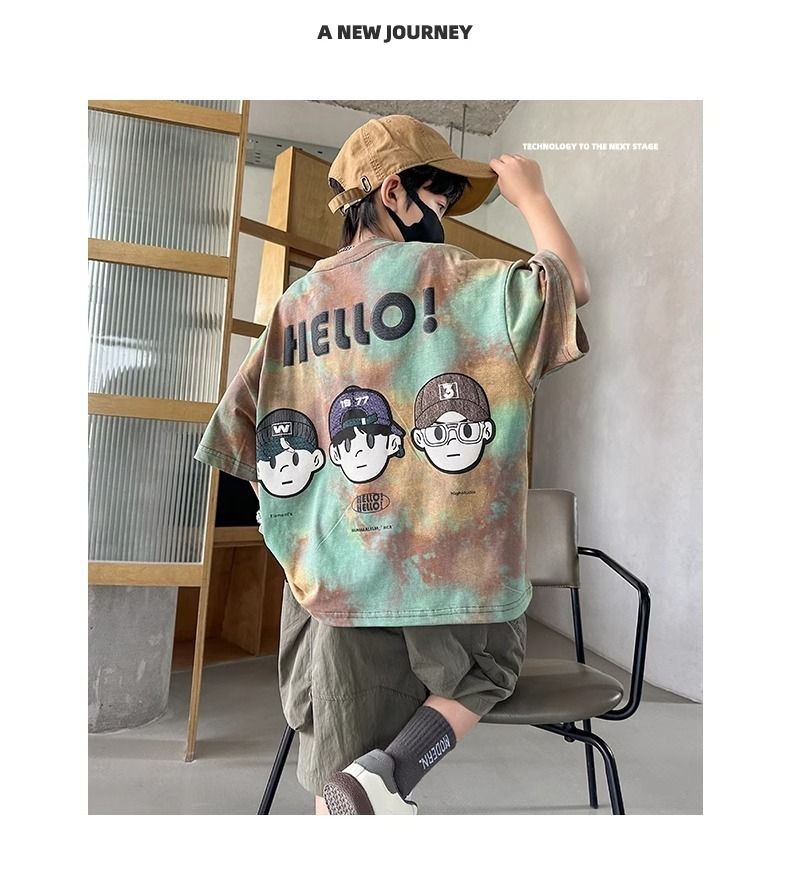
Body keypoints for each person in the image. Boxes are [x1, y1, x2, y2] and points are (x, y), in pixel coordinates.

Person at [194, 114, 591, 815]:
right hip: (446, 568)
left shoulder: (298, 303)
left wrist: (321, 507)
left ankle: (369, 786)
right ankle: (389, 776)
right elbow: (568, 283)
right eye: (438, 195)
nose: (443, 212)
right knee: (489, 666)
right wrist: (531, 195)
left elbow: (238, 432)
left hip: (336, 574)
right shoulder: (456, 278)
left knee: (340, 752)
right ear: (393, 190)